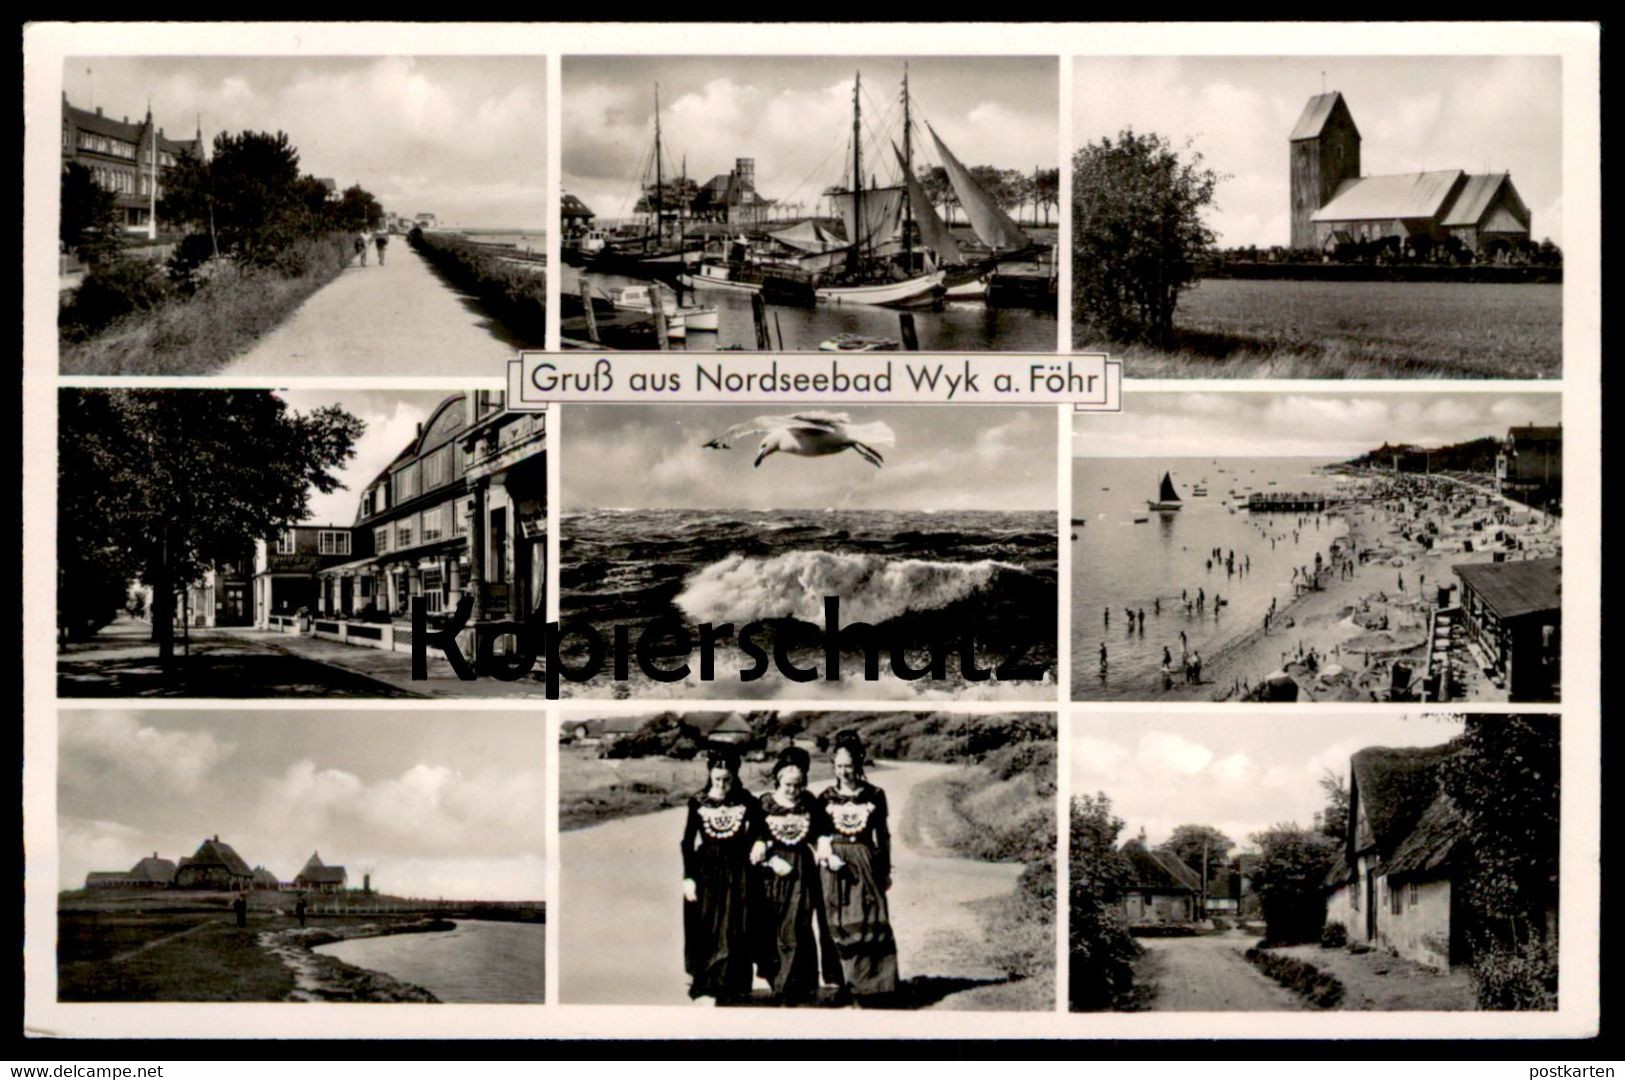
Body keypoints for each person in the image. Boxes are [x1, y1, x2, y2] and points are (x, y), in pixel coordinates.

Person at [816, 731, 900, 1004]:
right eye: (839, 766)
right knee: (837, 921)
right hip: (835, 865)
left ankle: (875, 985)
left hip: (865, 861)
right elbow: (818, 833)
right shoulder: (825, 797)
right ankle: (841, 984)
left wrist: (884, 870)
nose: (844, 772)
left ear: (859, 764)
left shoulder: (875, 795)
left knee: (869, 918)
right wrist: (826, 851)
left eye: (849, 766)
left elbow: (883, 835)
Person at [753, 746, 834, 1005]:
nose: (793, 790)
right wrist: (765, 850)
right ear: (778, 780)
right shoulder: (765, 803)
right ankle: (778, 979)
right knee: (772, 923)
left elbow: (822, 829)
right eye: (788, 784)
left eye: (798, 785)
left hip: (802, 869)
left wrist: (823, 843)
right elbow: (755, 835)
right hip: (772, 871)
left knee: (799, 923)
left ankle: (799, 984)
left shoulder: (809, 802)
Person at [681, 746, 762, 1004]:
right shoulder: (698, 802)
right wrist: (688, 878)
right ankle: (707, 983)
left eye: (727, 779)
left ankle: (733, 985)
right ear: (710, 775)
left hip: (738, 870)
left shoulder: (746, 800)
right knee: (707, 924)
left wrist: (759, 843)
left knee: (735, 925)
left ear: (735, 776)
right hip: (707, 870)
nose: (722, 784)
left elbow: (760, 828)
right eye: (717, 779)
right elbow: (687, 842)